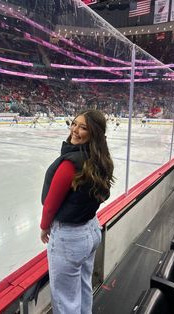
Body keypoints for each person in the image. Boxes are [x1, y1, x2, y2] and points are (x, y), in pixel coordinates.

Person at [40, 109, 115, 314]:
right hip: (91, 231)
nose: (75, 130)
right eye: (74, 124)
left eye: (83, 127)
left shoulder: (69, 164)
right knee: (83, 287)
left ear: (94, 133)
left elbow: (51, 204)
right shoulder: (101, 158)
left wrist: (44, 227)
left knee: (65, 300)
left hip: (70, 238)